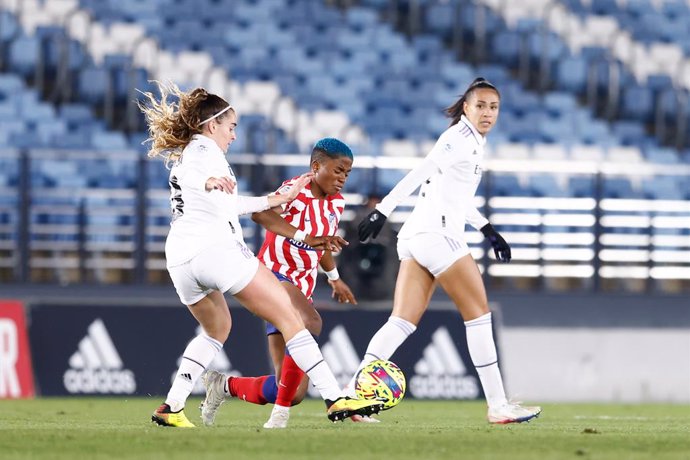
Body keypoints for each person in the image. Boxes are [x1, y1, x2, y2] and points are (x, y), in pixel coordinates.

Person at [139, 81, 382, 427]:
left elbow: (193, 179)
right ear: (213, 126)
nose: (233, 135)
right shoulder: (206, 155)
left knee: (217, 328)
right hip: (215, 250)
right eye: (231, 127)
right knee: (292, 319)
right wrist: (264, 198)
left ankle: (172, 405)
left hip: (179, 258)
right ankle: (335, 398)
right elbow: (207, 185)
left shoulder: (188, 155)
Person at [349, 77, 541, 424]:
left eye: (493, 107)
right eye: (480, 105)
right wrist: (383, 209)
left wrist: (486, 228)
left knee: (402, 321)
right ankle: (497, 405)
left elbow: (454, 197)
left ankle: (353, 396)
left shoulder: (472, 143)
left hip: (417, 237)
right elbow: (421, 171)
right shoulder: (458, 139)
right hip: (438, 236)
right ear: (466, 107)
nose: (487, 113)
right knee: (479, 316)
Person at [200, 138, 364, 429]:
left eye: (347, 174)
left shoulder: (336, 204)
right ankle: (283, 415)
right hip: (272, 277)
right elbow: (260, 213)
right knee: (310, 321)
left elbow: (323, 245)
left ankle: (224, 386)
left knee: (290, 391)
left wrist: (335, 279)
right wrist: (301, 236)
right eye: (338, 170)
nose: (342, 179)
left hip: (302, 288)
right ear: (316, 167)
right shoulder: (295, 191)